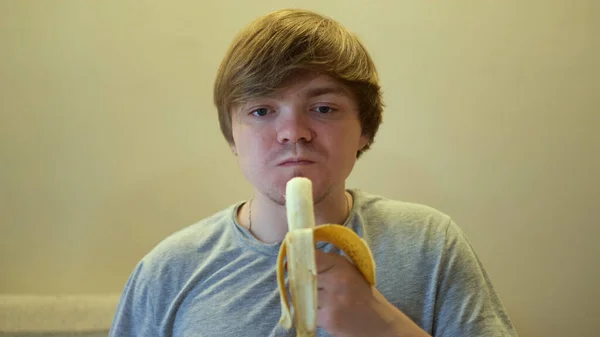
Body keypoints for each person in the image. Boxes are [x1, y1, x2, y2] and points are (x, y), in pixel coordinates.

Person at [109, 8, 518, 337]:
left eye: (323, 108)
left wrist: (384, 326)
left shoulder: (429, 244)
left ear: (365, 129)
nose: (293, 133)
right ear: (232, 137)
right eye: (262, 111)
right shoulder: (168, 271)